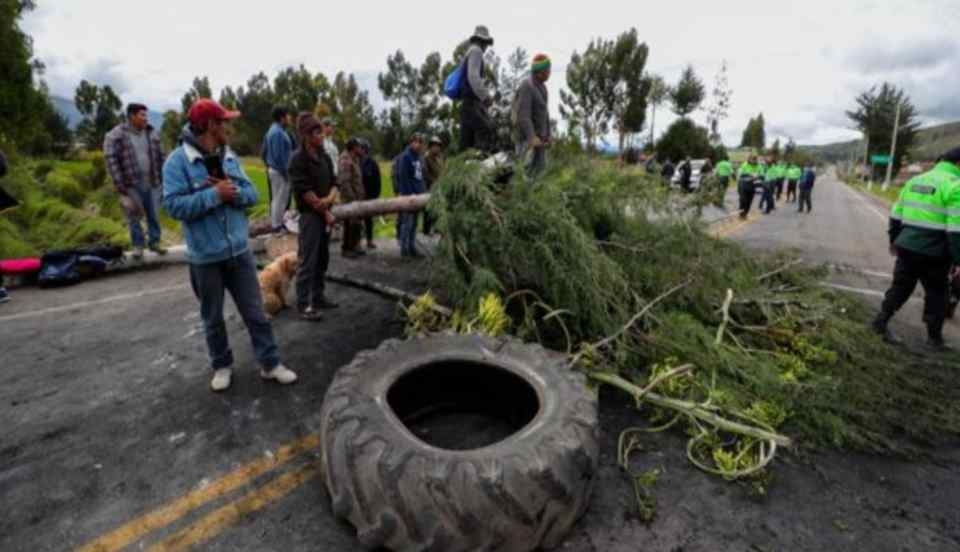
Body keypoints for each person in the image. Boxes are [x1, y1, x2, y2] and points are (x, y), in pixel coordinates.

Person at [163, 98, 297, 391]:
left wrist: (232, 193)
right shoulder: (177, 162)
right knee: (212, 318)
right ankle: (222, 365)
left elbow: (251, 195)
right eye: (225, 122)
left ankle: (270, 363)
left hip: (239, 252)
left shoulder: (229, 157)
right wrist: (213, 196)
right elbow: (173, 206)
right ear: (211, 125)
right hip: (205, 258)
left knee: (256, 313)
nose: (229, 127)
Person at [872, 147, 960, 351]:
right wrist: (958, 260)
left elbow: (896, 215)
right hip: (935, 252)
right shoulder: (955, 185)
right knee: (937, 293)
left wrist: (894, 240)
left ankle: (880, 322)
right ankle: (933, 339)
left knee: (901, 286)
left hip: (907, 246)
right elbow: (956, 230)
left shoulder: (915, 180)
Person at [288, 113, 339, 321]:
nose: (320, 136)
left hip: (325, 211)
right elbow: (305, 192)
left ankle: (318, 296)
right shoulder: (297, 160)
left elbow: (335, 182)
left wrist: (330, 198)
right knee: (308, 259)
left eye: (320, 131)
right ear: (305, 135)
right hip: (310, 217)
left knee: (322, 258)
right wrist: (325, 210)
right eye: (316, 132)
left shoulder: (323, 156)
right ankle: (303, 303)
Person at [104, 103, 167, 259]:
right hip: (131, 183)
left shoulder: (152, 133)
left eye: (146, 115)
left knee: (154, 214)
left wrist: (165, 177)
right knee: (133, 216)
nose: (146, 118)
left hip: (152, 181)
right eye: (142, 115)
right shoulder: (115, 135)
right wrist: (120, 185)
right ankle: (138, 246)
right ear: (132, 116)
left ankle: (155, 242)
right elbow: (111, 160)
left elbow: (161, 155)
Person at [512, 53, 552, 176]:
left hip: (540, 141)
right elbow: (523, 116)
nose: (550, 72)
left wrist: (548, 135)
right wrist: (531, 137)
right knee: (523, 174)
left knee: (539, 174)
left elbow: (545, 114)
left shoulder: (543, 88)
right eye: (548, 70)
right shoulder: (527, 86)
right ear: (540, 72)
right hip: (526, 141)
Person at [459, 26, 495, 152]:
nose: (486, 48)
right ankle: (482, 165)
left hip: (466, 104)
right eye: (485, 43)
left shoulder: (469, 52)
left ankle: (463, 169)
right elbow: (473, 76)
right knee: (486, 129)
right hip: (471, 103)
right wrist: (485, 96)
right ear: (482, 41)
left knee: (466, 144)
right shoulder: (476, 51)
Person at [262, 106, 294, 234]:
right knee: (279, 199)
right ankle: (277, 226)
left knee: (279, 199)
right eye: (288, 115)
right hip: (279, 171)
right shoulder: (277, 133)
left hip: (277, 170)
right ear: (282, 117)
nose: (290, 118)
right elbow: (279, 156)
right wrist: (286, 173)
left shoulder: (275, 130)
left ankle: (279, 223)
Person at [397, 133, 426, 257]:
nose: (418, 144)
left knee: (414, 224)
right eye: (416, 142)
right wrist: (409, 195)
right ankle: (404, 249)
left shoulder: (419, 157)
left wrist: (422, 191)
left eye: (420, 142)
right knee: (407, 223)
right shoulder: (406, 157)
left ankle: (412, 246)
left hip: (418, 195)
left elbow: (420, 177)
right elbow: (403, 177)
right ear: (411, 142)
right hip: (409, 197)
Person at [338, 138, 367, 258]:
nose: (361, 149)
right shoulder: (346, 160)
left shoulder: (355, 159)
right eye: (359, 147)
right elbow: (344, 182)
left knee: (356, 224)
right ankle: (346, 249)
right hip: (349, 199)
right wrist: (352, 199)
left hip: (357, 197)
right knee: (349, 224)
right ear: (354, 148)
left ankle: (355, 246)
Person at [359, 139, 382, 250]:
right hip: (359, 195)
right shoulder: (356, 161)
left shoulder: (372, 162)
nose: (360, 150)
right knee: (357, 219)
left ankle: (369, 240)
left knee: (368, 220)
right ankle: (357, 242)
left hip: (369, 195)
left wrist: (376, 195)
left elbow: (377, 180)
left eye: (362, 148)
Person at [422, 136, 445, 236]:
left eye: (438, 146)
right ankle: (426, 229)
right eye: (434, 146)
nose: (437, 148)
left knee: (438, 209)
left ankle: (436, 227)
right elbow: (425, 174)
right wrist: (434, 182)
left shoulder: (440, 157)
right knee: (428, 210)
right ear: (430, 147)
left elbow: (442, 170)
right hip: (429, 186)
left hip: (439, 186)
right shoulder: (426, 157)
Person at [737, 154, 761, 219]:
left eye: (755, 160)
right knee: (743, 200)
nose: (754, 161)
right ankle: (741, 214)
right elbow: (740, 174)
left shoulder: (758, 166)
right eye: (752, 159)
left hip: (753, 185)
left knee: (749, 201)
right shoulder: (744, 165)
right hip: (743, 184)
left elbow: (762, 174)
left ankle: (745, 214)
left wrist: (758, 176)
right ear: (749, 159)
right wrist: (749, 174)